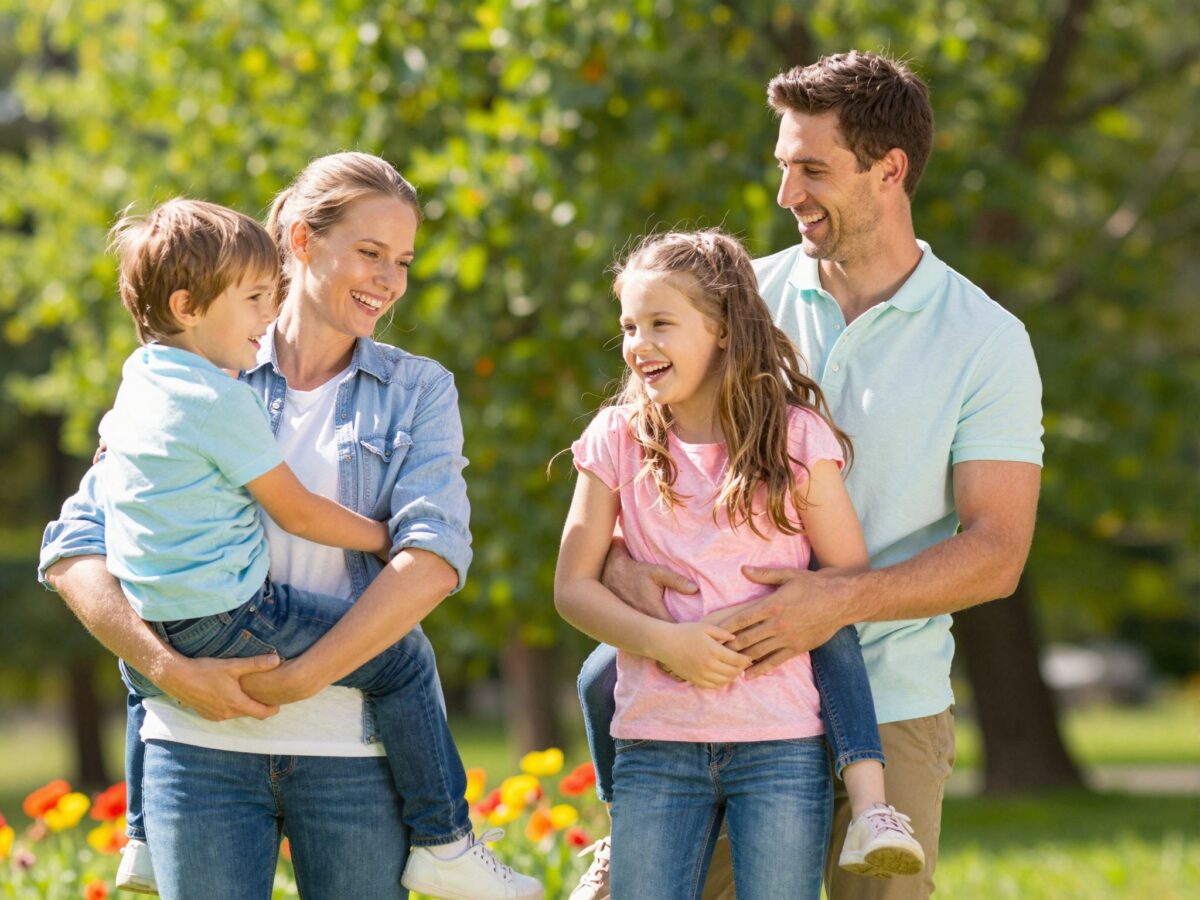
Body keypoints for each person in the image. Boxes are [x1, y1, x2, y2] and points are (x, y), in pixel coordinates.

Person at [572, 52, 1043, 900]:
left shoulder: (985, 339)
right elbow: (635, 459)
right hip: (713, 696)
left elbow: (998, 551)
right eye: (783, 166)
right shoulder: (732, 301)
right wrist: (613, 564)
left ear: (889, 170)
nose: (787, 193)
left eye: (813, 169)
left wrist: (836, 602)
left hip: (888, 703)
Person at [40, 153, 540, 900]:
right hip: (197, 750)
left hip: (353, 755)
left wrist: (305, 676)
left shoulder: (416, 390)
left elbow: (434, 558)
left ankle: (441, 843)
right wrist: (168, 670)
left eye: (402, 261)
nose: (390, 280)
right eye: (370, 252)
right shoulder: (200, 364)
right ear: (302, 241)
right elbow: (75, 544)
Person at [556, 229, 926, 899]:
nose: (638, 343)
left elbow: (847, 576)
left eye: (661, 323)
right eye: (629, 326)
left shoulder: (795, 437)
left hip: (780, 748)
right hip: (655, 747)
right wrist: (665, 642)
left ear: (723, 328)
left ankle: (873, 805)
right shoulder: (615, 438)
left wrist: (799, 603)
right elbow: (573, 588)